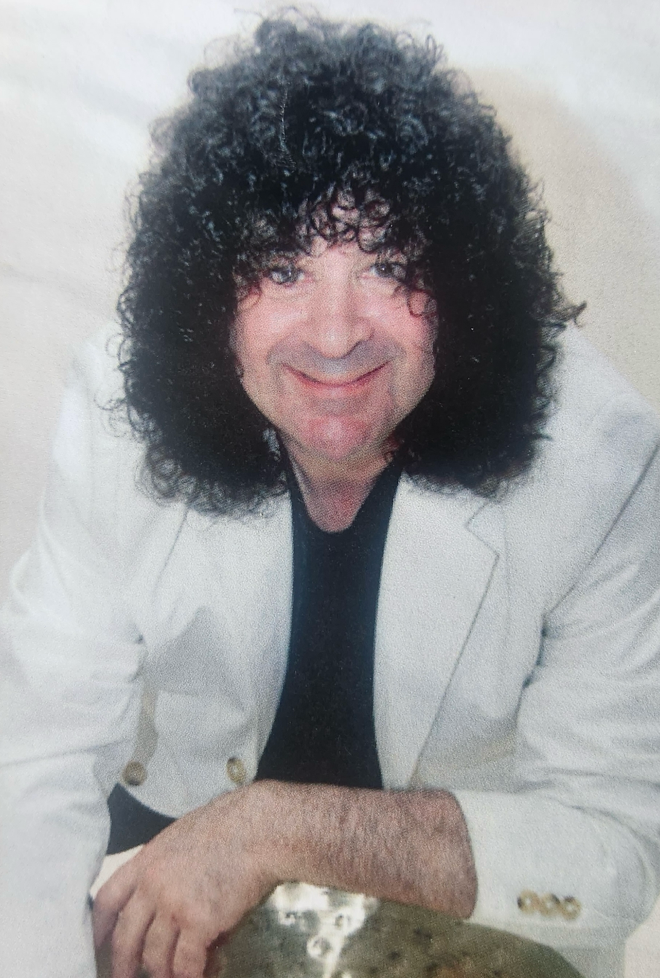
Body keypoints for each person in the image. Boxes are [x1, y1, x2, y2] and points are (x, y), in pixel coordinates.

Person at [1, 12, 659, 978]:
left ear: (465, 282)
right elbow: (39, 760)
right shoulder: (116, 409)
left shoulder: (596, 458)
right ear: (209, 294)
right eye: (282, 268)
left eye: (389, 266)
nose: (337, 332)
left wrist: (280, 827)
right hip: (172, 853)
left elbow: (614, 858)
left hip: (454, 916)